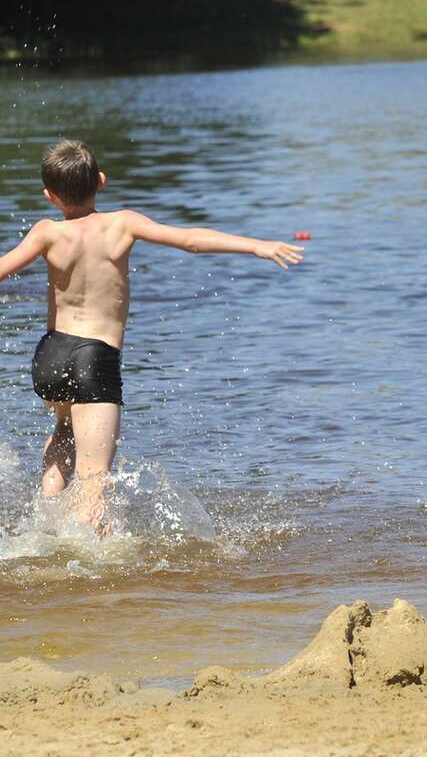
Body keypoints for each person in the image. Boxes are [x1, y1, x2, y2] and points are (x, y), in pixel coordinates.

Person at [0, 140, 304, 530]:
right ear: (101, 181)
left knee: (64, 431)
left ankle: (43, 523)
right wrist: (257, 246)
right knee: (95, 482)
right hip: (94, 359)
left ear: (49, 195)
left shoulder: (46, 232)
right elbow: (190, 240)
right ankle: (96, 568)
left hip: (50, 358)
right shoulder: (122, 223)